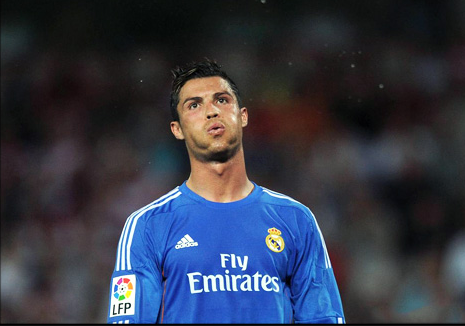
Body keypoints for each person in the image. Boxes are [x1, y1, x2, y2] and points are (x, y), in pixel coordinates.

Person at [107, 59, 346, 323]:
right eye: (194, 105)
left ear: (243, 116)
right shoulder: (147, 225)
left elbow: (323, 317)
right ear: (177, 130)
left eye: (221, 100)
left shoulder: (296, 219)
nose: (211, 111)